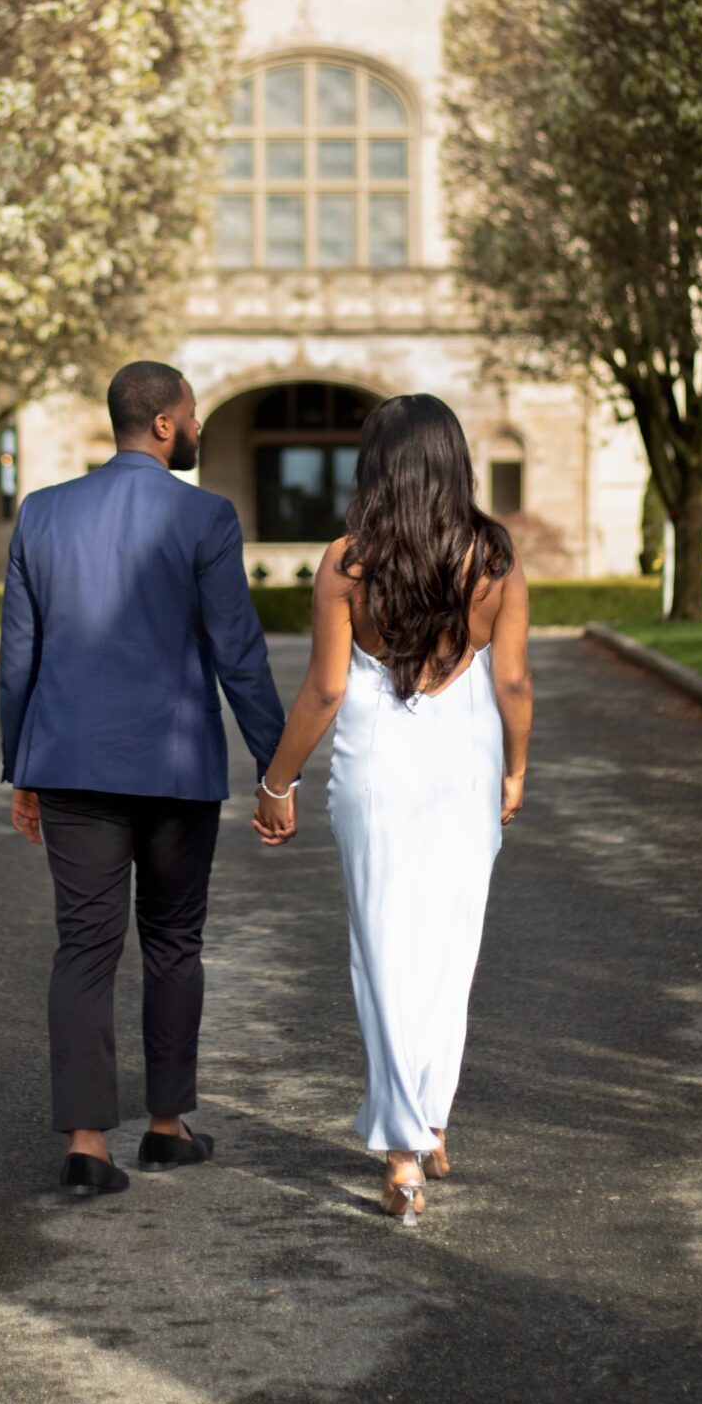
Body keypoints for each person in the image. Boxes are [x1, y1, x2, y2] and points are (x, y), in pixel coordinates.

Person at [0, 360, 286, 1199]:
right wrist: (277, 769)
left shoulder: (42, 514)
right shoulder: (205, 516)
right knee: (172, 944)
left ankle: (87, 1143)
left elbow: (20, 656)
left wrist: (22, 768)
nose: (196, 428)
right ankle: (166, 1127)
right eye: (192, 415)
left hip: (71, 768)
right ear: (165, 424)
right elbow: (238, 649)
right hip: (173, 767)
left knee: (84, 948)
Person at [253, 393, 532, 1221]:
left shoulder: (348, 562)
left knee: (382, 953)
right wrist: (516, 768)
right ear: (454, 461)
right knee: (452, 950)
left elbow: (327, 688)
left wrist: (276, 783)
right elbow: (511, 680)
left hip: (378, 760)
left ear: (375, 465)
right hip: (467, 757)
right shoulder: (495, 558)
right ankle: (431, 1122)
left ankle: (404, 1154)